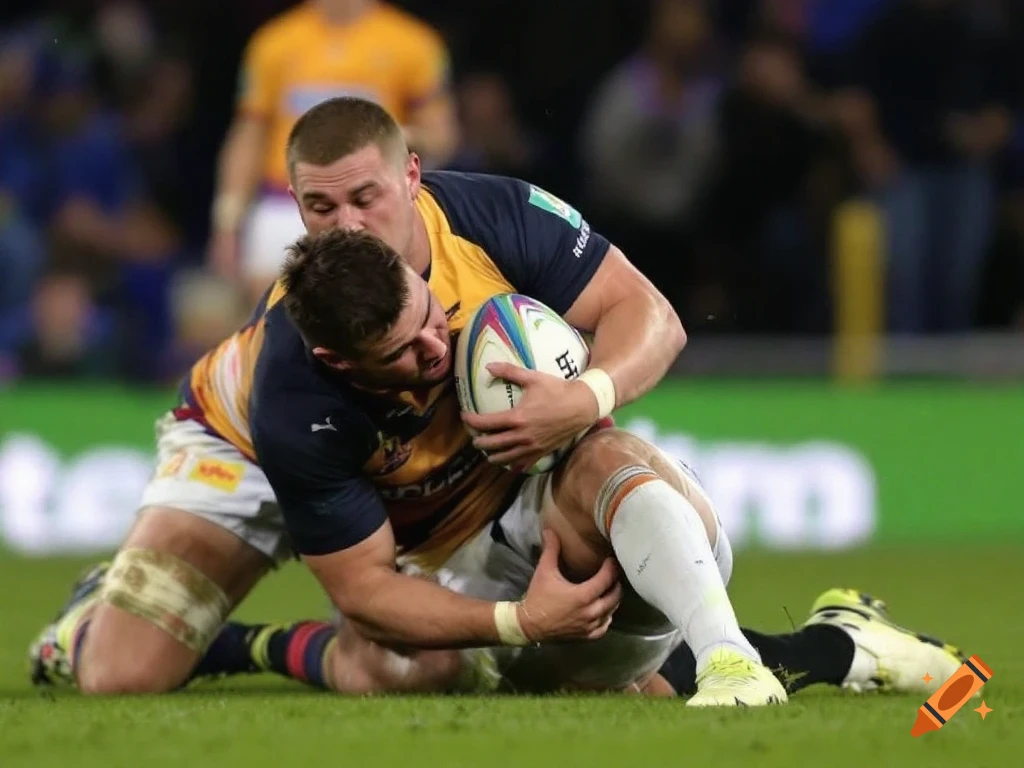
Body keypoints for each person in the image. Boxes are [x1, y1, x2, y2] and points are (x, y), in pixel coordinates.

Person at [28, 97, 965, 701]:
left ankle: (806, 652)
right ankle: (190, 634)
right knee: (119, 678)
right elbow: (368, 587)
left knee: (502, 668)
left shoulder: (496, 219)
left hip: (433, 476)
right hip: (242, 443)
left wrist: (587, 393)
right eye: (321, 210)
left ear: (412, 177)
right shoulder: (295, 374)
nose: (350, 226)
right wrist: (520, 620)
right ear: (298, 209)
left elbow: (654, 317)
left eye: (367, 198)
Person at [207, 0, 457, 305]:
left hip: (369, 203)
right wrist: (228, 221)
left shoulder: (415, 43)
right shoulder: (273, 42)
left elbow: (443, 137)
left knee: (372, 317)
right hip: (284, 203)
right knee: (267, 326)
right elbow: (249, 135)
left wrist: (393, 136)